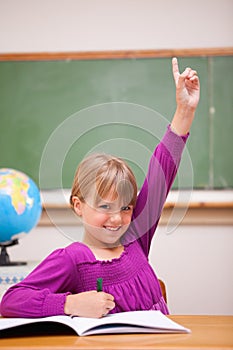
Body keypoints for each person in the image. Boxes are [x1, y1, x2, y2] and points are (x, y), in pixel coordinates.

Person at [0, 58, 200, 319]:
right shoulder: (71, 260)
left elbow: (162, 171)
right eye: (105, 207)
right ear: (78, 206)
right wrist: (69, 305)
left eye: (126, 207)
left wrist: (184, 111)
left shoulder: (136, 236)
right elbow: (11, 301)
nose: (117, 218)